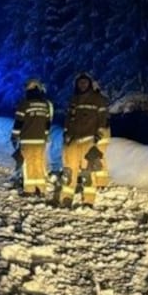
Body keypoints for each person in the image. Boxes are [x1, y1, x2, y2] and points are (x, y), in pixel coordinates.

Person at [60, 72, 109, 208]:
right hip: (72, 141)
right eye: (80, 82)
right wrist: (66, 134)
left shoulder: (98, 99)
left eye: (85, 82)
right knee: (68, 171)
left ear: (90, 84)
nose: (82, 85)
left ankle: (88, 200)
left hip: (88, 140)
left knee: (88, 172)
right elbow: (68, 119)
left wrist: (98, 136)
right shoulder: (73, 99)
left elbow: (103, 119)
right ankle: (66, 198)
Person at [10, 78, 53, 196]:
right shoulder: (45, 105)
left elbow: (19, 122)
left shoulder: (24, 104)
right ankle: (41, 189)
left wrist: (14, 136)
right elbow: (47, 123)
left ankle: (29, 190)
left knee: (28, 164)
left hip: (27, 139)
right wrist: (44, 136)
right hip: (40, 140)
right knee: (39, 163)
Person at [91, 79, 111, 188]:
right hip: (104, 133)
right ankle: (101, 182)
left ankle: (99, 182)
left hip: (99, 134)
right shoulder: (101, 99)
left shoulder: (95, 100)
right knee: (98, 157)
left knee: (96, 157)